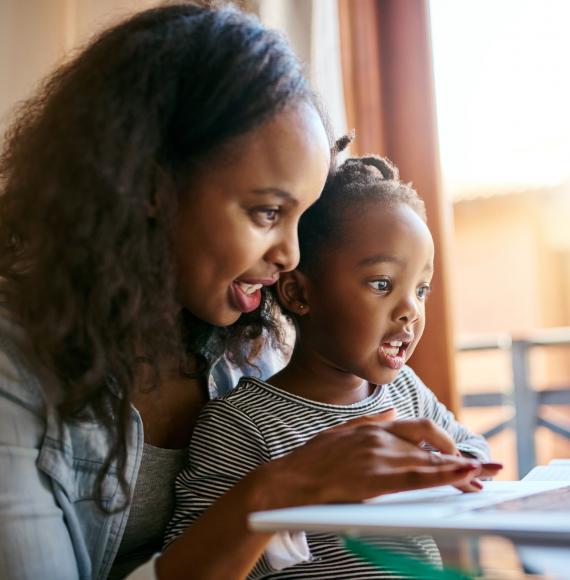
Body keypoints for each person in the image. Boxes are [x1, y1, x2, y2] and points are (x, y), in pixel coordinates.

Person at [0, 3, 493, 580]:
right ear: (148, 184)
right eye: (266, 212)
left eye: (301, 219)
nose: (291, 256)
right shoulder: (16, 366)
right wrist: (278, 489)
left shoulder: (254, 345)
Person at [165, 154, 502, 578]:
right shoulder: (242, 423)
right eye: (382, 284)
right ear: (298, 293)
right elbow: (195, 555)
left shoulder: (406, 392)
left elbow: (475, 452)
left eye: (422, 289)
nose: (410, 311)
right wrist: (306, 511)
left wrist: (447, 469)